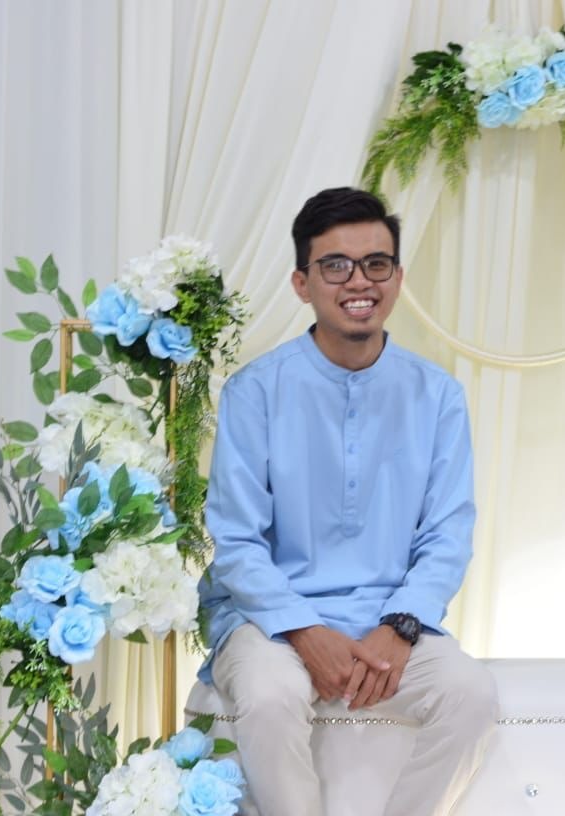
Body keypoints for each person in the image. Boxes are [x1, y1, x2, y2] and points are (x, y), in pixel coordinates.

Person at [197, 187, 497, 815]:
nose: (359, 281)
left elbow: (447, 534)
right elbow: (236, 541)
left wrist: (401, 625)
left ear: (397, 278)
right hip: (267, 622)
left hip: (389, 620)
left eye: (376, 264)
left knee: (469, 694)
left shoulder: (437, 395)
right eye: (335, 265)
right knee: (271, 697)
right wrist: (304, 630)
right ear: (301, 283)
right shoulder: (255, 392)